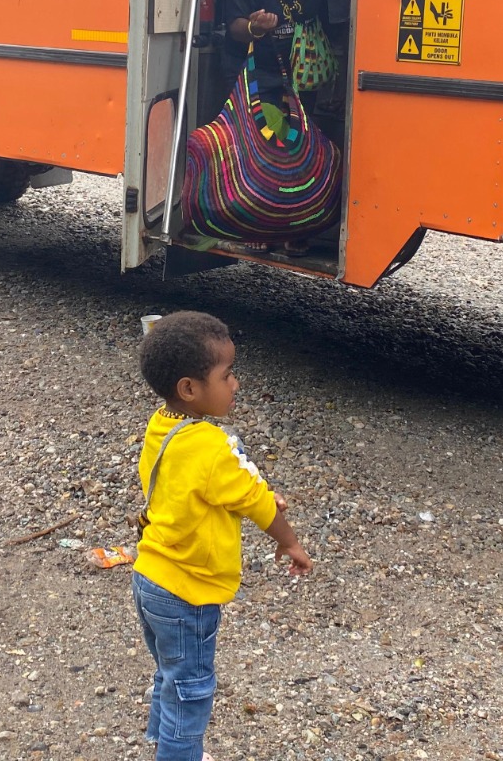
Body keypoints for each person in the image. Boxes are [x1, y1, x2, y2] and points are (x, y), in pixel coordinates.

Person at [133, 311, 313, 761]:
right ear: (189, 389)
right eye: (227, 375)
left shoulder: (162, 426)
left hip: (149, 579)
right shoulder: (211, 446)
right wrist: (287, 540)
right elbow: (256, 502)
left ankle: (159, 740)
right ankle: (175, 752)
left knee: (170, 674)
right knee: (192, 693)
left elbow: (202, 489)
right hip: (187, 593)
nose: (235, 384)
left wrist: (253, 496)